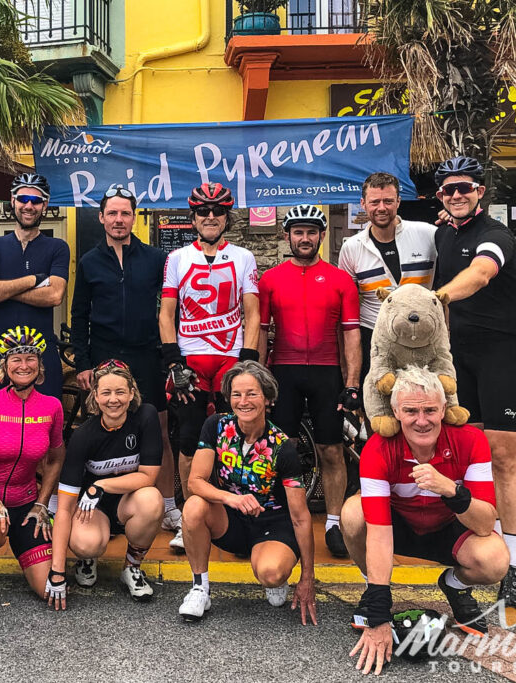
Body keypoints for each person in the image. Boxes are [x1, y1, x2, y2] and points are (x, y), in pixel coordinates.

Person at [342, 366, 508, 675]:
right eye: (411, 411)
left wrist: (450, 489)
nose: (422, 420)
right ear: (395, 412)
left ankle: (455, 585)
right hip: (399, 526)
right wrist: (379, 613)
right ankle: (371, 589)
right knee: (353, 513)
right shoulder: (378, 447)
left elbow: (485, 522)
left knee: (496, 559)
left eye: (430, 409)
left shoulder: (471, 439)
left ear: (444, 409)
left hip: (449, 526)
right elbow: (377, 532)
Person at [432, 156, 516, 607]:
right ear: (440, 197)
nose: (457, 195)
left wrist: (435, 297)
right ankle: (476, 537)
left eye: (465, 188)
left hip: (502, 351)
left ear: (480, 192)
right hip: (459, 353)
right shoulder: (443, 232)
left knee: (505, 454)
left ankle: (515, 563)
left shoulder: (497, 236)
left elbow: (480, 273)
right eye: (448, 190)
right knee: (465, 448)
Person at [70, 186, 180, 538]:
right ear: (101, 218)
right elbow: (79, 313)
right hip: (103, 357)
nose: (119, 219)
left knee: (159, 432)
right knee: (101, 434)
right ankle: (97, 505)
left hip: (147, 355)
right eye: (112, 213)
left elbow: (168, 311)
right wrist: (84, 362)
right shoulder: (88, 261)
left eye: (125, 213)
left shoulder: (155, 259)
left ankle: (167, 506)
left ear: (135, 218)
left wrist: (169, 357)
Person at [159, 182, 260, 550]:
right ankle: (191, 519)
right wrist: (173, 360)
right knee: (189, 443)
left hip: (230, 359)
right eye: (204, 211)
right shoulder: (177, 259)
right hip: (191, 360)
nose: (211, 217)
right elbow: (166, 312)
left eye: (218, 211)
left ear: (227, 217)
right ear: (194, 218)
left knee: (235, 441)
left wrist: (248, 360)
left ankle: (234, 516)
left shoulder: (244, 257)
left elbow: (252, 311)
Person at [177, 361, 316, 624]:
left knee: (270, 573)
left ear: (267, 398)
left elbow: (300, 516)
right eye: (236, 394)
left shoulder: (282, 447)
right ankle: (199, 589)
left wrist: (307, 576)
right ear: (228, 398)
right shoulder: (216, 426)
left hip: (273, 524)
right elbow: (195, 481)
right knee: (194, 505)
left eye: (252, 393)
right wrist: (231, 498)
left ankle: (274, 571)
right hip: (231, 518)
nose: (244, 401)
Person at [258, 204, 361, 558]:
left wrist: (352, 383)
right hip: (282, 371)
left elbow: (350, 336)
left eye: (311, 232)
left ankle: (333, 523)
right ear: (287, 236)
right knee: (279, 450)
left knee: (331, 449)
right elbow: (260, 331)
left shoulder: (340, 279)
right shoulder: (270, 279)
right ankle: (280, 516)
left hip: (325, 371)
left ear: (320, 236)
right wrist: (258, 378)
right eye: (298, 232)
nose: (305, 238)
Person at [0, 326, 65, 599]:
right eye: (16, 359)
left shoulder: (52, 407)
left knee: (49, 591)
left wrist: (42, 502)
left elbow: (56, 458)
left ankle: (19, 539)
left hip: (23, 502)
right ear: (5, 366)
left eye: (31, 359)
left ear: (40, 366)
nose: (24, 365)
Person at [46, 360, 164, 609]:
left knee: (152, 500)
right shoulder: (83, 436)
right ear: (95, 396)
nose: (114, 399)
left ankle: (132, 567)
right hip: (93, 508)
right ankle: (87, 559)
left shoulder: (146, 416)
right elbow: (65, 508)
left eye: (120, 392)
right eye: (106, 393)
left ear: (132, 393)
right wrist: (56, 572)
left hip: (127, 500)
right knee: (86, 544)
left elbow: (148, 476)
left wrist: (101, 486)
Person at [337, 172, 437, 389]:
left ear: (399, 201)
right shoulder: (352, 248)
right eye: (374, 202)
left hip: (421, 335)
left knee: (420, 401)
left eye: (388, 201)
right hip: (374, 336)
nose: (381, 208)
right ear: (363, 204)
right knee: (378, 407)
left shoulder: (428, 234)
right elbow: (347, 307)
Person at [0, 174, 70, 399]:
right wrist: (34, 280)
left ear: (45, 205)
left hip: (42, 350)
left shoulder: (57, 247)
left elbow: (55, 295)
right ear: (13, 201)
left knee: (43, 424)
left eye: (36, 201)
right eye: (23, 199)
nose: (29, 205)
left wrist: (3, 291)